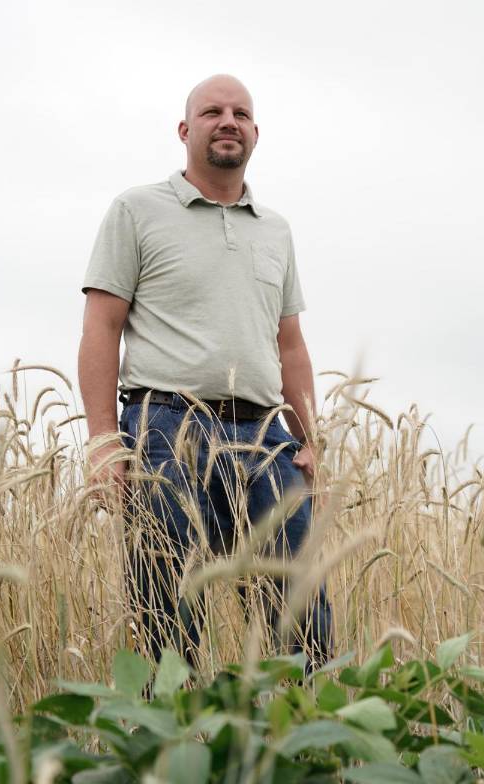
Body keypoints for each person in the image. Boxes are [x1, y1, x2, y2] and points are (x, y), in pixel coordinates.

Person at [77, 74, 333, 669]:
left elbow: (289, 344)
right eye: (213, 111)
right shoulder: (136, 210)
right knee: (166, 607)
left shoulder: (276, 231)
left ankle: (299, 748)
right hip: (166, 427)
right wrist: (102, 441)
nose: (228, 121)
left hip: (268, 438)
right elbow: (100, 329)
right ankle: (173, 751)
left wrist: (310, 437)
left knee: (300, 613)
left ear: (255, 133)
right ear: (185, 130)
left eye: (241, 113)